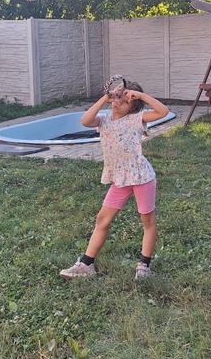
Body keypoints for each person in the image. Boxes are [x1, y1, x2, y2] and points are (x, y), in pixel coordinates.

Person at [60, 79, 169, 280]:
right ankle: (86, 264)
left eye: (124, 100)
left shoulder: (136, 119)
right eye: (117, 98)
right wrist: (105, 98)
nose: (117, 102)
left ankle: (144, 266)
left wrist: (141, 96)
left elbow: (163, 111)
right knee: (102, 219)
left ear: (132, 106)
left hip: (141, 177)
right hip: (119, 179)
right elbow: (85, 120)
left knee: (147, 221)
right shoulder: (103, 121)